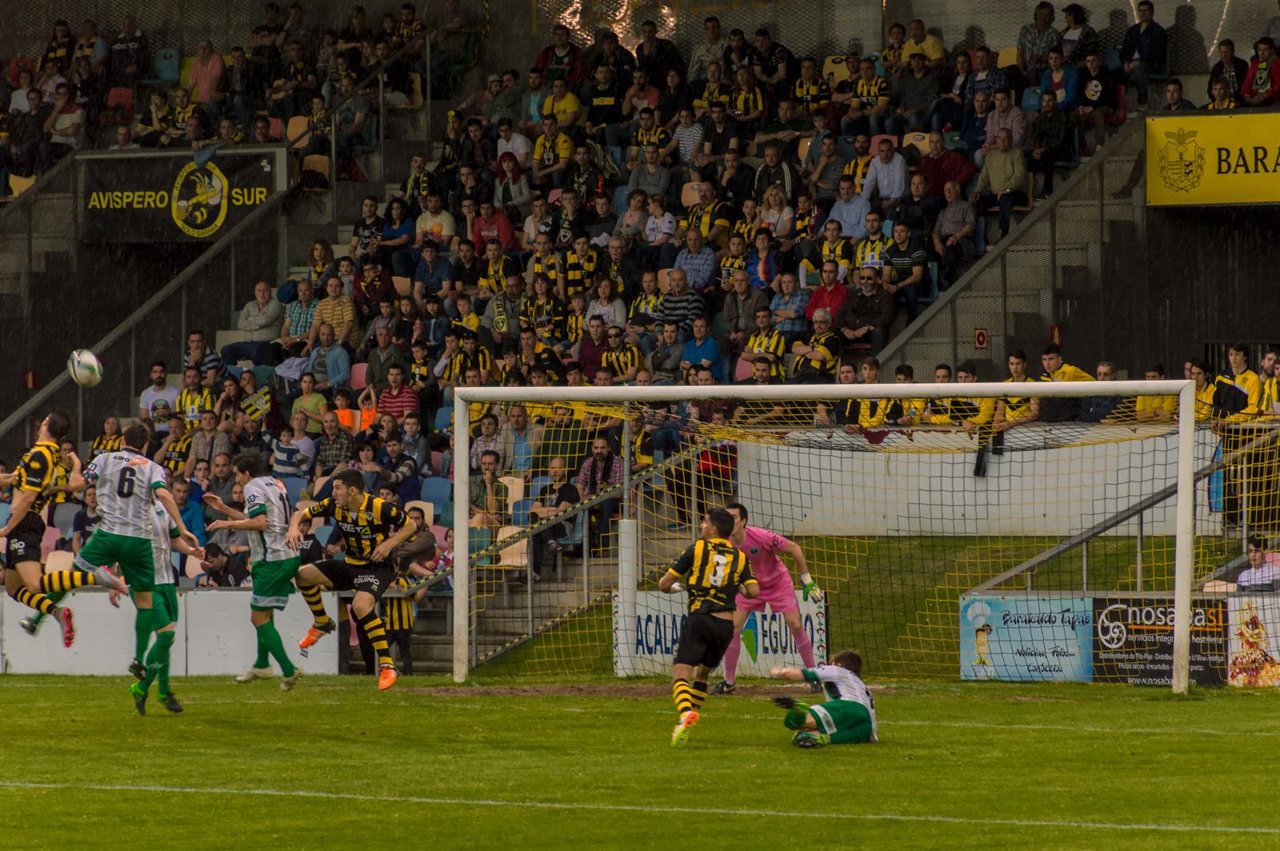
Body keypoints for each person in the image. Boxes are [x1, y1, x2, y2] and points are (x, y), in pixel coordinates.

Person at [74, 423, 199, 689]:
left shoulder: (162, 511)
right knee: (165, 636)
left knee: (168, 638)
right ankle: (156, 690)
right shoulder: (140, 509)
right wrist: (115, 578)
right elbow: (123, 545)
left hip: (168, 580)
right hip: (146, 579)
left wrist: (193, 551)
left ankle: (151, 688)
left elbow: (174, 540)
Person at [287, 469, 420, 690]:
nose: (333, 492)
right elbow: (300, 514)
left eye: (337, 487)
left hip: (377, 568)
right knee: (302, 575)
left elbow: (411, 525)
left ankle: (388, 666)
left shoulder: (379, 506)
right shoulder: (333, 504)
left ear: (352, 490)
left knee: (360, 606)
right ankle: (321, 622)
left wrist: (388, 544)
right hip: (350, 565)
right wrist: (293, 528)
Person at [0, 414, 114, 645]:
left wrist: (7, 528)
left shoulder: (40, 454)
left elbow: (29, 496)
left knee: (34, 584)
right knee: (13, 588)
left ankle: (96, 577)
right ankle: (57, 613)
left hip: (24, 521)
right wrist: (77, 465)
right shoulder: (50, 456)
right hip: (27, 522)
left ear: (44, 425)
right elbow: (15, 478)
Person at [657, 508, 758, 747]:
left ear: (713, 528)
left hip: (700, 618)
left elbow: (663, 584)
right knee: (702, 674)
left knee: (681, 674)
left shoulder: (696, 549)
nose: (701, 525)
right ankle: (687, 724)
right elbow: (754, 591)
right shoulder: (740, 556)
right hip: (725, 626)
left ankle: (684, 713)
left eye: (704, 522)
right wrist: (741, 588)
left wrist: (676, 588)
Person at [204, 452, 304, 689]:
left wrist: (225, 523)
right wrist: (224, 509)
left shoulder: (252, 488)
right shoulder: (275, 483)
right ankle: (261, 665)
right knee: (265, 615)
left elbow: (259, 523)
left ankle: (289, 670)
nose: (237, 480)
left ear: (247, 473)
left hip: (272, 559)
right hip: (283, 556)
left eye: (238, 475)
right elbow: (257, 519)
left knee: (257, 616)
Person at [712, 502, 822, 695]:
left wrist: (806, 579)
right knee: (733, 628)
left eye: (734, 517)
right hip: (749, 586)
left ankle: (813, 677)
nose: (729, 521)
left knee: (795, 624)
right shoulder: (723, 542)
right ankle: (728, 682)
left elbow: (794, 548)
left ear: (743, 521)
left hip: (777, 583)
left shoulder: (762, 537)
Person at [769, 649, 878, 747]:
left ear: (836, 664)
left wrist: (780, 672)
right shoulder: (862, 686)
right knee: (802, 737)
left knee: (791, 722)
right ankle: (822, 738)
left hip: (848, 706)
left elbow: (799, 674)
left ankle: (799, 710)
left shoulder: (836, 670)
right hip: (867, 727)